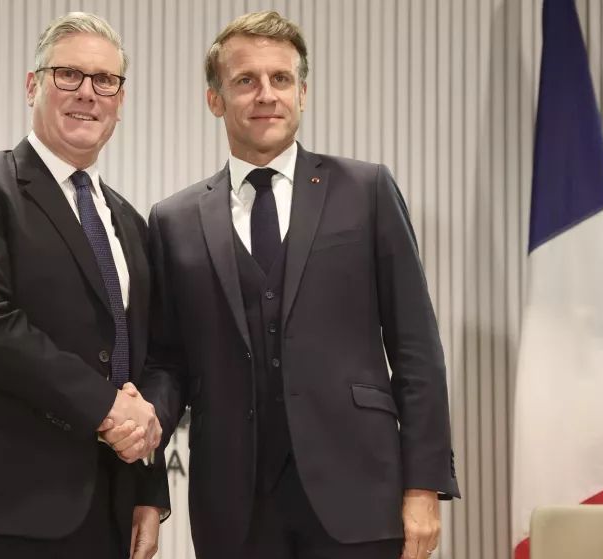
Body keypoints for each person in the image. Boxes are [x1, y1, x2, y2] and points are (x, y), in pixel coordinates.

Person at [141, 11, 460, 559]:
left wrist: (423, 485)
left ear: (302, 94)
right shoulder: (173, 220)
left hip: (360, 494)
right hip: (233, 506)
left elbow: (416, 348)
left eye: (281, 79)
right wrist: (144, 463)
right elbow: (167, 362)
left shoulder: (367, 190)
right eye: (246, 80)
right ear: (215, 99)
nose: (266, 94)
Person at [0, 12, 168, 559]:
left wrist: (147, 486)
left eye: (105, 80)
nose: (87, 92)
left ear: (120, 100)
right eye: (68, 75)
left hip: (104, 511)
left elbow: (144, 363)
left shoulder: (131, 224)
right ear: (32, 86)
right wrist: (107, 408)